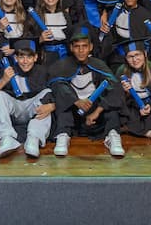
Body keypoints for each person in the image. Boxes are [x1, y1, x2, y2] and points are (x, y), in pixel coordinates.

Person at [48, 29, 125, 157]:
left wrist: (97, 111)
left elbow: (114, 87)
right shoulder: (62, 65)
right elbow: (57, 85)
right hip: (74, 110)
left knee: (112, 108)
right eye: (77, 47)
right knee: (62, 103)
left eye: (84, 46)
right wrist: (76, 101)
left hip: (94, 109)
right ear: (71, 48)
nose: (81, 50)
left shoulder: (99, 64)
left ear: (91, 47)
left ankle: (112, 136)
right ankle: (63, 135)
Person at [0, 39, 55, 159]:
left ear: (35, 57)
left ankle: (34, 139)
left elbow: (55, 95)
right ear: (15, 58)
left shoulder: (43, 71)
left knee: (47, 94)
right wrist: (4, 80)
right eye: (21, 57)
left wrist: (51, 106)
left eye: (29, 57)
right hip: (15, 109)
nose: (25, 61)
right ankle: (6, 138)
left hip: (34, 108)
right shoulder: (9, 70)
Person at [115, 41, 151, 143]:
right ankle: (150, 133)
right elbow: (117, 98)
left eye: (137, 55)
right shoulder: (121, 71)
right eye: (130, 57)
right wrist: (125, 93)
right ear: (126, 58)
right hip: (132, 106)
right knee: (121, 118)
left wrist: (150, 107)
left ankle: (139, 130)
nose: (135, 60)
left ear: (145, 54)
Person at [98, 0, 151, 72]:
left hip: (140, 60)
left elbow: (149, 43)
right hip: (118, 59)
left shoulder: (146, 15)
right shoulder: (113, 13)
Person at [26, 0, 73, 67]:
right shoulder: (34, 16)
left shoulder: (65, 15)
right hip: (44, 58)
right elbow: (25, 41)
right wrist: (39, 39)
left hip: (64, 57)